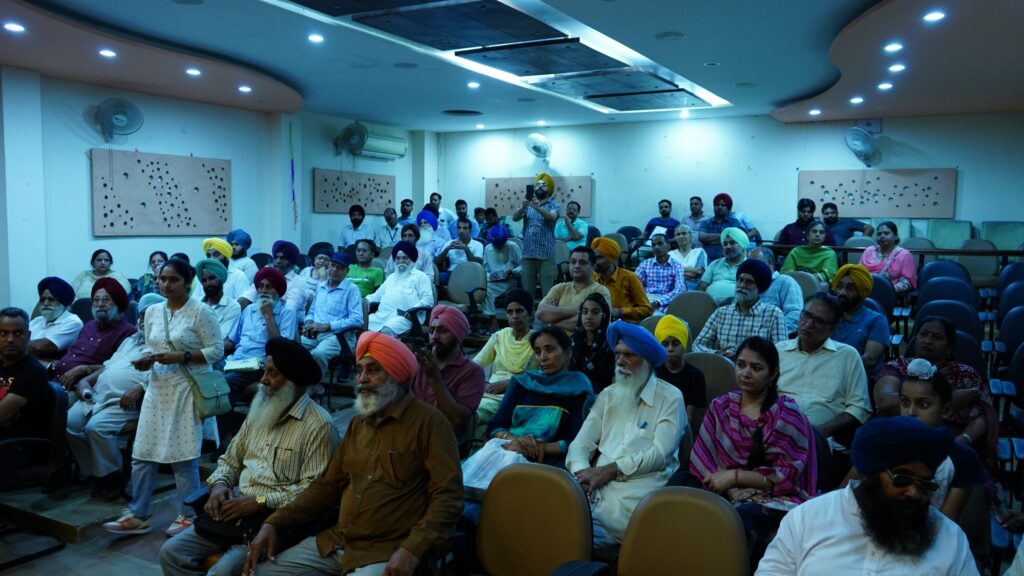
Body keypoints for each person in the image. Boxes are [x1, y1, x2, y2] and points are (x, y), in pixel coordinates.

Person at [242, 331, 463, 576]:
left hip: (388, 551)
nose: (362, 379)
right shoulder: (359, 424)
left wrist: (413, 548)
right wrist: (274, 522)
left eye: (373, 370)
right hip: (337, 542)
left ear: (397, 375)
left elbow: (448, 497)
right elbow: (328, 486)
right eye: (359, 371)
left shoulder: (431, 424)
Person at [159, 337, 339, 576]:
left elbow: (311, 492)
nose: (263, 379)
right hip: (236, 511)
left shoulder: (319, 426)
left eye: (272, 374)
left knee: (223, 572)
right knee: (171, 553)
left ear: (294, 382)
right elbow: (230, 460)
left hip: (278, 520)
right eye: (265, 371)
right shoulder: (260, 410)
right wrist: (220, 485)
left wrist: (259, 502)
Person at [755, 417, 977, 576]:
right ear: (869, 474)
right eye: (902, 479)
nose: (914, 492)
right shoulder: (805, 520)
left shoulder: (950, 540)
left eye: (925, 484)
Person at [104, 257, 224, 537]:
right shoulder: (153, 312)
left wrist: (181, 356)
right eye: (162, 279)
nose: (165, 284)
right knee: (142, 453)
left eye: (173, 279)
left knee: (182, 456)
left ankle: (189, 514)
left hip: (186, 388)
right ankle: (139, 514)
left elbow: (216, 351)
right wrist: (146, 360)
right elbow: (151, 346)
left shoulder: (201, 312)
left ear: (187, 282)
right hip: (157, 388)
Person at [690, 336, 817, 562]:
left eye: (756, 368)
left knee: (742, 519)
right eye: (741, 365)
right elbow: (704, 458)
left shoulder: (787, 414)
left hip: (774, 496)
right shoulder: (721, 407)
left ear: (773, 374)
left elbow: (788, 476)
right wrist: (730, 489)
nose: (745, 373)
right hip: (721, 488)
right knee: (680, 495)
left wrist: (734, 477)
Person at [566, 320, 683, 546]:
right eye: (617, 354)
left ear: (647, 361)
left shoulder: (671, 398)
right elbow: (580, 445)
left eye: (629, 355)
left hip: (637, 492)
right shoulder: (608, 395)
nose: (620, 361)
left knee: (570, 532)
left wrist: (611, 470)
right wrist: (582, 476)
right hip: (591, 487)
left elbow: (660, 455)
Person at [66, 293, 163, 499]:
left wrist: (141, 388)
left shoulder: (166, 345)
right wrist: (86, 380)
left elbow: (168, 377)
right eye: (142, 316)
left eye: (151, 316)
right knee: (71, 422)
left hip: (127, 403)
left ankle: (112, 477)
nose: (144, 321)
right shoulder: (130, 340)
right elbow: (108, 367)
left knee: (96, 428)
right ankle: (94, 474)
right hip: (99, 397)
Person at [874, 317, 997, 462]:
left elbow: (983, 415)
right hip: (900, 443)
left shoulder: (965, 374)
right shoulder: (897, 367)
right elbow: (885, 401)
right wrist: (950, 399)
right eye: (923, 334)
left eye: (937, 337)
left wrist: (960, 442)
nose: (927, 341)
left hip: (954, 448)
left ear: (949, 347)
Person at [484, 326, 593, 467]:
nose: (543, 358)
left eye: (550, 350)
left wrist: (539, 447)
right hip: (507, 450)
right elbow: (497, 424)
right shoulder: (522, 382)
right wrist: (515, 441)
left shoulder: (577, 387)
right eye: (538, 352)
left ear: (568, 353)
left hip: (549, 461)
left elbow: (579, 439)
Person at [897, 359, 985, 520]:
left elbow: (945, 526)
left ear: (946, 411)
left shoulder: (961, 459)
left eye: (923, 404)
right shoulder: (886, 444)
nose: (910, 412)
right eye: (905, 402)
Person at [776, 293, 870, 444]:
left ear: (832, 329)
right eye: (806, 315)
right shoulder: (779, 351)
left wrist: (822, 432)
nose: (808, 324)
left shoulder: (848, 356)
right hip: (777, 432)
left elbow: (859, 407)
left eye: (819, 321)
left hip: (824, 439)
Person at [224, 268, 298, 405]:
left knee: (224, 382)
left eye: (269, 287)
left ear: (278, 291)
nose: (263, 291)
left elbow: (281, 349)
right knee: (206, 374)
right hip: (236, 361)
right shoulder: (248, 310)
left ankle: (225, 419)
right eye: (260, 286)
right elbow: (231, 341)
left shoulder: (287, 312)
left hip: (261, 366)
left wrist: (268, 315)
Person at [411, 305, 485, 438]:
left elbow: (456, 419)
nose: (434, 337)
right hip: (410, 431)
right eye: (431, 330)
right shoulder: (416, 362)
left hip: (441, 439)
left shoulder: (473, 372)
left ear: (457, 335)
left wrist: (434, 377)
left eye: (442, 331)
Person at [472, 289, 536, 440]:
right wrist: (481, 384)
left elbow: (541, 376)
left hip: (518, 395)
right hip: (490, 392)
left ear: (529, 313)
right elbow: (475, 365)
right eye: (509, 312)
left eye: (519, 311)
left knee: (475, 413)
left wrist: (510, 383)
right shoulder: (499, 337)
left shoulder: (538, 340)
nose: (514, 316)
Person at [693, 259, 787, 359]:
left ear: (759, 287)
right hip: (722, 367)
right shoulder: (721, 313)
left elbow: (781, 353)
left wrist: (743, 357)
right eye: (740, 280)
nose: (742, 286)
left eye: (749, 282)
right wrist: (716, 355)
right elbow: (697, 345)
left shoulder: (773, 314)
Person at [52, 278, 138, 387]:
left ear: (118, 303)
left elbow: (115, 368)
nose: (100, 304)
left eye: (105, 300)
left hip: (81, 387)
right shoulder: (89, 325)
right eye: (96, 300)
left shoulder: (128, 332)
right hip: (55, 378)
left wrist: (84, 369)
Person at [300, 252, 363, 376]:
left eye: (340, 268)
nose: (334, 270)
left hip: (337, 336)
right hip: (314, 333)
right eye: (332, 265)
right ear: (328, 266)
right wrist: (308, 323)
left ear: (347, 271)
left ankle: (313, 385)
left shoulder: (352, 290)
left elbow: (357, 319)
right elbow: (312, 311)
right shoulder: (321, 287)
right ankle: (298, 382)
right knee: (292, 346)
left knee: (318, 354)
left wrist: (328, 326)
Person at [0, 308, 51, 442]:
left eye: (17, 333)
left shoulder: (32, 372)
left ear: (28, 336)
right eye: (3, 333)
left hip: (15, 445)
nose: (10, 339)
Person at [536, 246, 612, 334]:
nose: (576, 266)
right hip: (556, 341)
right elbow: (540, 313)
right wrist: (578, 311)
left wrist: (553, 319)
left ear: (593, 266)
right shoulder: (560, 288)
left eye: (582, 263)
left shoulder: (600, 291)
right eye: (573, 262)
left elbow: (588, 323)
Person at [366, 241, 434, 337]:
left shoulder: (421, 277)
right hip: (382, 315)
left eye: (405, 258)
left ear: (411, 259)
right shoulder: (391, 277)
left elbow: (428, 299)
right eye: (398, 258)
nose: (401, 261)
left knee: (387, 330)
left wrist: (413, 310)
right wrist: (366, 301)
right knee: (362, 323)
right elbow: (377, 295)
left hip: (406, 317)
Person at [830, 264, 889, 374]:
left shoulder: (877, 320)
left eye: (850, 288)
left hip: (859, 376)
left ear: (861, 292)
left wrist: (835, 370)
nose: (842, 292)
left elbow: (869, 359)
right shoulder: (831, 316)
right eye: (840, 286)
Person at [513, 172, 561, 299]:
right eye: (538, 184)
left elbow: (552, 217)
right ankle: (528, 312)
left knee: (548, 294)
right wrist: (522, 208)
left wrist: (537, 208)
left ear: (549, 188)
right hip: (528, 254)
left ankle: (547, 313)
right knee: (527, 293)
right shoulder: (527, 203)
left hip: (546, 255)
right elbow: (515, 218)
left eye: (544, 185)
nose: (540, 187)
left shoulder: (554, 204)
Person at [239, 240, 308, 321]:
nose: (278, 261)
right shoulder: (265, 275)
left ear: (292, 261)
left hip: (285, 323)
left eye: (282, 258)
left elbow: (287, 312)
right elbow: (247, 297)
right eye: (276, 257)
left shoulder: (299, 282)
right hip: (259, 320)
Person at [655, 314, 706, 422]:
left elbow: (689, 418)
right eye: (665, 344)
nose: (670, 348)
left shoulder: (695, 376)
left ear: (683, 345)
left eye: (675, 343)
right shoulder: (653, 373)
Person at [592, 237, 652, 322]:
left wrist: (620, 311)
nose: (594, 262)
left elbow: (647, 309)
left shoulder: (629, 277)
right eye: (593, 258)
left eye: (599, 257)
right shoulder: (592, 278)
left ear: (611, 258)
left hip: (625, 325)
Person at [748, 247, 803, 336]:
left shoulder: (785, 282)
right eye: (749, 265)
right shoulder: (747, 284)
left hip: (775, 336)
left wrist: (771, 333)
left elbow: (795, 315)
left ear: (769, 262)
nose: (751, 269)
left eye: (755, 264)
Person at [28, 276, 83, 363]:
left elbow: (42, 347)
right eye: (42, 299)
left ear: (63, 301)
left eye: (51, 299)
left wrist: (13, 346)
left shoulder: (73, 322)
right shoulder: (36, 321)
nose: (45, 303)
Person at [569, 293, 616, 394]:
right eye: (585, 312)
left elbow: (614, 384)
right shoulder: (572, 342)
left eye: (595, 312)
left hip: (601, 397)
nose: (588, 317)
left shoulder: (611, 345)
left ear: (604, 315)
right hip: (571, 394)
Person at [481, 224, 522, 331]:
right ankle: (492, 320)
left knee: (489, 290)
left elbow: (523, 267)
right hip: (493, 282)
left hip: (510, 281)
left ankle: (495, 320)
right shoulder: (488, 248)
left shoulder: (513, 247)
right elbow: (485, 269)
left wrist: (512, 271)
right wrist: (490, 275)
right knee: (484, 289)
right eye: (496, 246)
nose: (498, 248)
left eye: (501, 245)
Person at [859, 221, 916, 296]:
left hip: (891, 294)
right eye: (879, 234)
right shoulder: (869, 251)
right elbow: (859, 273)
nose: (882, 236)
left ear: (896, 236)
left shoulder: (904, 255)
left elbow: (907, 282)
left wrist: (886, 290)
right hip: (866, 292)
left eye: (886, 233)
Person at [636, 233, 687, 312]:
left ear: (668, 246)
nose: (656, 247)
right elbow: (634, 283)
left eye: (660, 244)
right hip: (646, 299)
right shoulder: (645, 264)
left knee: (660, 316)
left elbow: (680, 289)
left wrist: (658, 302)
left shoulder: (677, 266)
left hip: (666, 300)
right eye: (653, 245)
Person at [196, 258, 242, 342]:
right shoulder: (195, 304)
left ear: (221, 278)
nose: (208, 283)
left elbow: (219, 338)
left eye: (212, 278)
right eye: (204, 280)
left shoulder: (232, 307)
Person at [780, 218, 838, 285]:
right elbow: (786, 272)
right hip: (795, 284)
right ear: (807, 235)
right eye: (814, 231)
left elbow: (828, 274)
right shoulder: (796, 251)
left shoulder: (829, 253)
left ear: (824, 237)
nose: (818, 234)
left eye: (821, 232)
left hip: (818, 285)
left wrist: (807, 279)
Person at [698, 227, 748, 304]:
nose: (728, 246)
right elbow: (702, 286)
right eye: (725, 244)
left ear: (742, 245)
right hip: (709, 305)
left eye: (732, 243)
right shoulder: (715, 264)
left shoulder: (749, 266)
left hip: (736, 305)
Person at [698, 194, 745, 261]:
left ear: (728, 208)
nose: (719, 207)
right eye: (717, 205)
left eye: (723, 205)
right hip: (708, 260)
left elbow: (735, 239)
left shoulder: (734, 222)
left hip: (728, 259)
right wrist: (725, 235)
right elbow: (701, 237)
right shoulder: (706, 223)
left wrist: (709, 241)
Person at [436, 217, 484, 283]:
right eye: (459, 228)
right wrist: (446, 249)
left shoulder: (478, 245)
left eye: (465, 228)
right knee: (438, 276)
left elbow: (477, 265)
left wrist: (466, 248)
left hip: (469, 273)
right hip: (451, 273)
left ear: (470, 231)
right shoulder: (450, 243)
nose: (461, 231)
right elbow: (436, 263)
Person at [203, 238, 250, 302]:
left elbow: (239, 303)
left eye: (216, 254)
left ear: (225, 256)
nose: (211, 259)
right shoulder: (203, 276)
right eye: (208, 256)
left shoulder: (238, 276)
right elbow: (196, 298)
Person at [668, 224, 707, 291]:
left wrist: (676, 270)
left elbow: (699, 271)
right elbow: (668, 273)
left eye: (684, 233)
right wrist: (692, 269)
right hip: (673, 288)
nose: (681, 236)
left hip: (694, 289)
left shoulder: (699, 251)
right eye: (678, 234)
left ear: (690, 235)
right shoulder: (670, 254)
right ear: (675, 238)